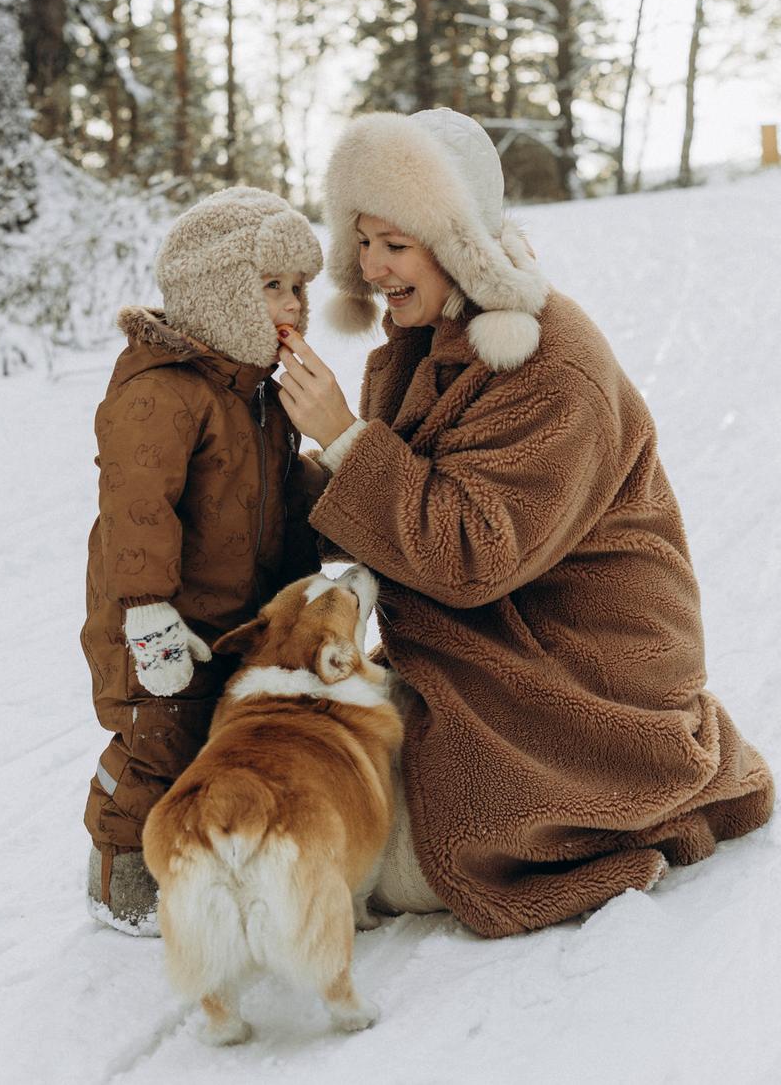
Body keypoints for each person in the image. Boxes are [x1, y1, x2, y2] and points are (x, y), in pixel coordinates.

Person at [274, 107, 774, 939]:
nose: (372, 267)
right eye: (362, 242)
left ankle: (575, 821)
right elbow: (384, 513)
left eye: (395, 244)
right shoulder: (422, 341)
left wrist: (347, 439)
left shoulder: (550, 365)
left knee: (337, 841)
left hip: (575, 689)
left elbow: (471, 554)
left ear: (459, 240)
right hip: (488, 657)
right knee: (296, 744)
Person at [82, 186, 328, 932]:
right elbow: (136, 506)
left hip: (233, 620)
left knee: (221, 741)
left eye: (298, 288)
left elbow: (282, 494)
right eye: (271, 286)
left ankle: (207, 857)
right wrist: (146, 613)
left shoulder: (256, 394)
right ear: (220, 290)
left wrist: (345, 513)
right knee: (155, 745)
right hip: (158, 623)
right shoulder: (163, 391)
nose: (292, 305)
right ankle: (117, 875)